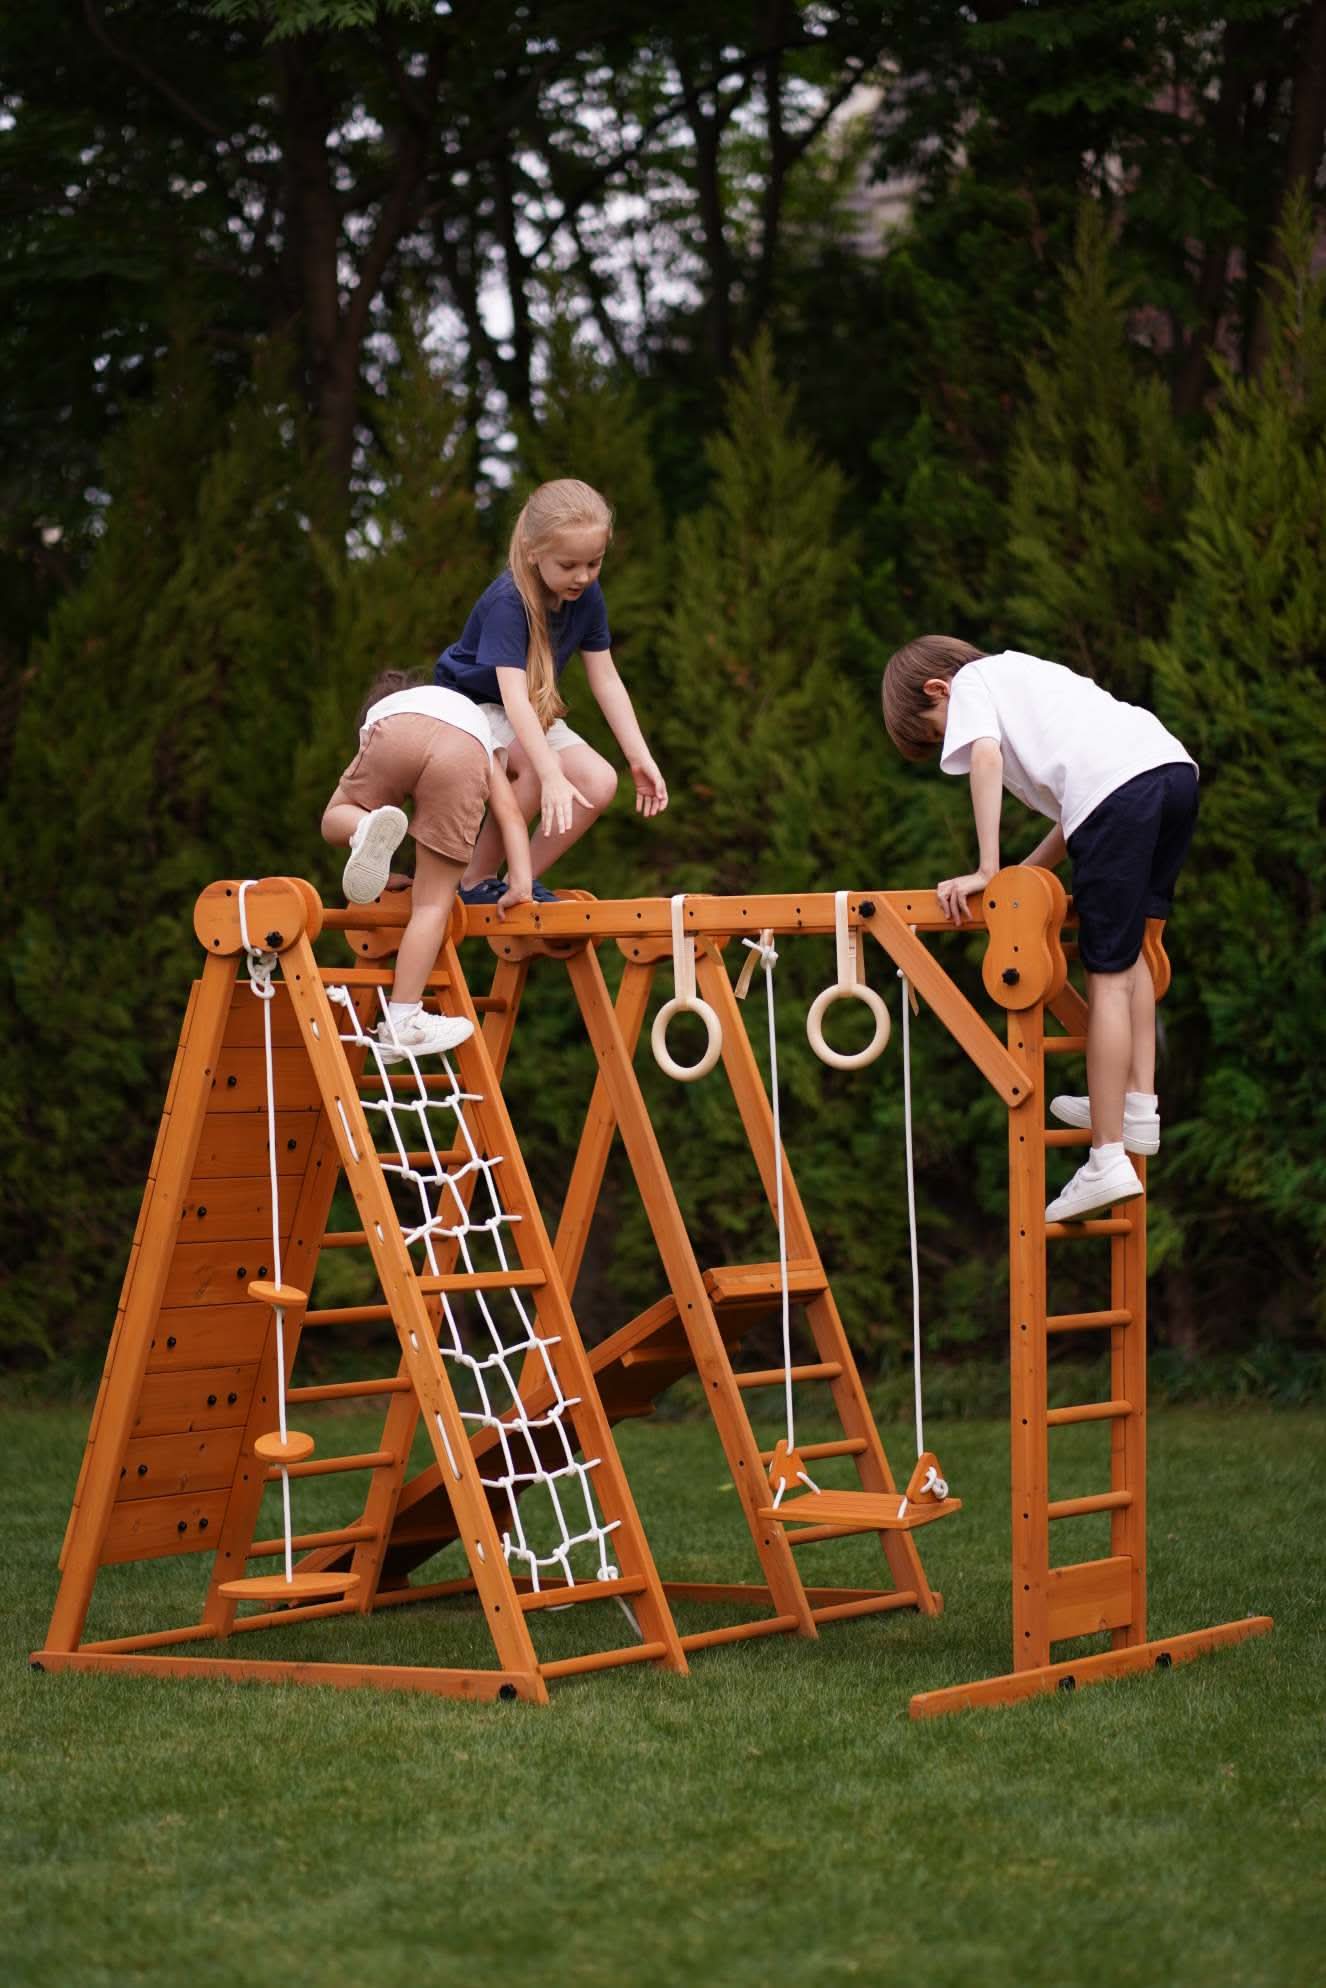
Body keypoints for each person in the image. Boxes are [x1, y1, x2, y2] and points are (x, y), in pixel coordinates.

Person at [881, 636, 1198, 1223]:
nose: (949, 741)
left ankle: (1106, 1159)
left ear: (937, 689)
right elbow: (1075, 819)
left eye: (936, 730)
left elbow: (987, 760)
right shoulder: (1027, 680)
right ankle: (1137, 1108)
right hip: (1173, 775)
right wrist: (1017, 881)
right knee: (1129, 956)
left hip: (1120, 795)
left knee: (1104, 974)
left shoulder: (973, 683)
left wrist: (986, 868)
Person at [433, 477, 667, 903]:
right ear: (533, 551)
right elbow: (513, 698)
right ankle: (473, 880)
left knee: (598, 782)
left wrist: (639, 757)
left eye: (593, 563)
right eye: (568, 565)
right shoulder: (509, 601)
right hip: (467, 707)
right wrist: (551, 771)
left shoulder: (587, 596)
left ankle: (516, 880)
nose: (582, 576)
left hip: (517, 709)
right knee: (541, 770)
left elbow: (606, 678)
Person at [321, 669, 533, 1061]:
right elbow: (509, 812)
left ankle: (363, 827)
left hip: (394, 731)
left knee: (336, 816)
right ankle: (402, 1018)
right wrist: (520, 881)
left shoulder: (395, 708)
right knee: (432, 904)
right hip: (464, 750)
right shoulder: (476, 723)